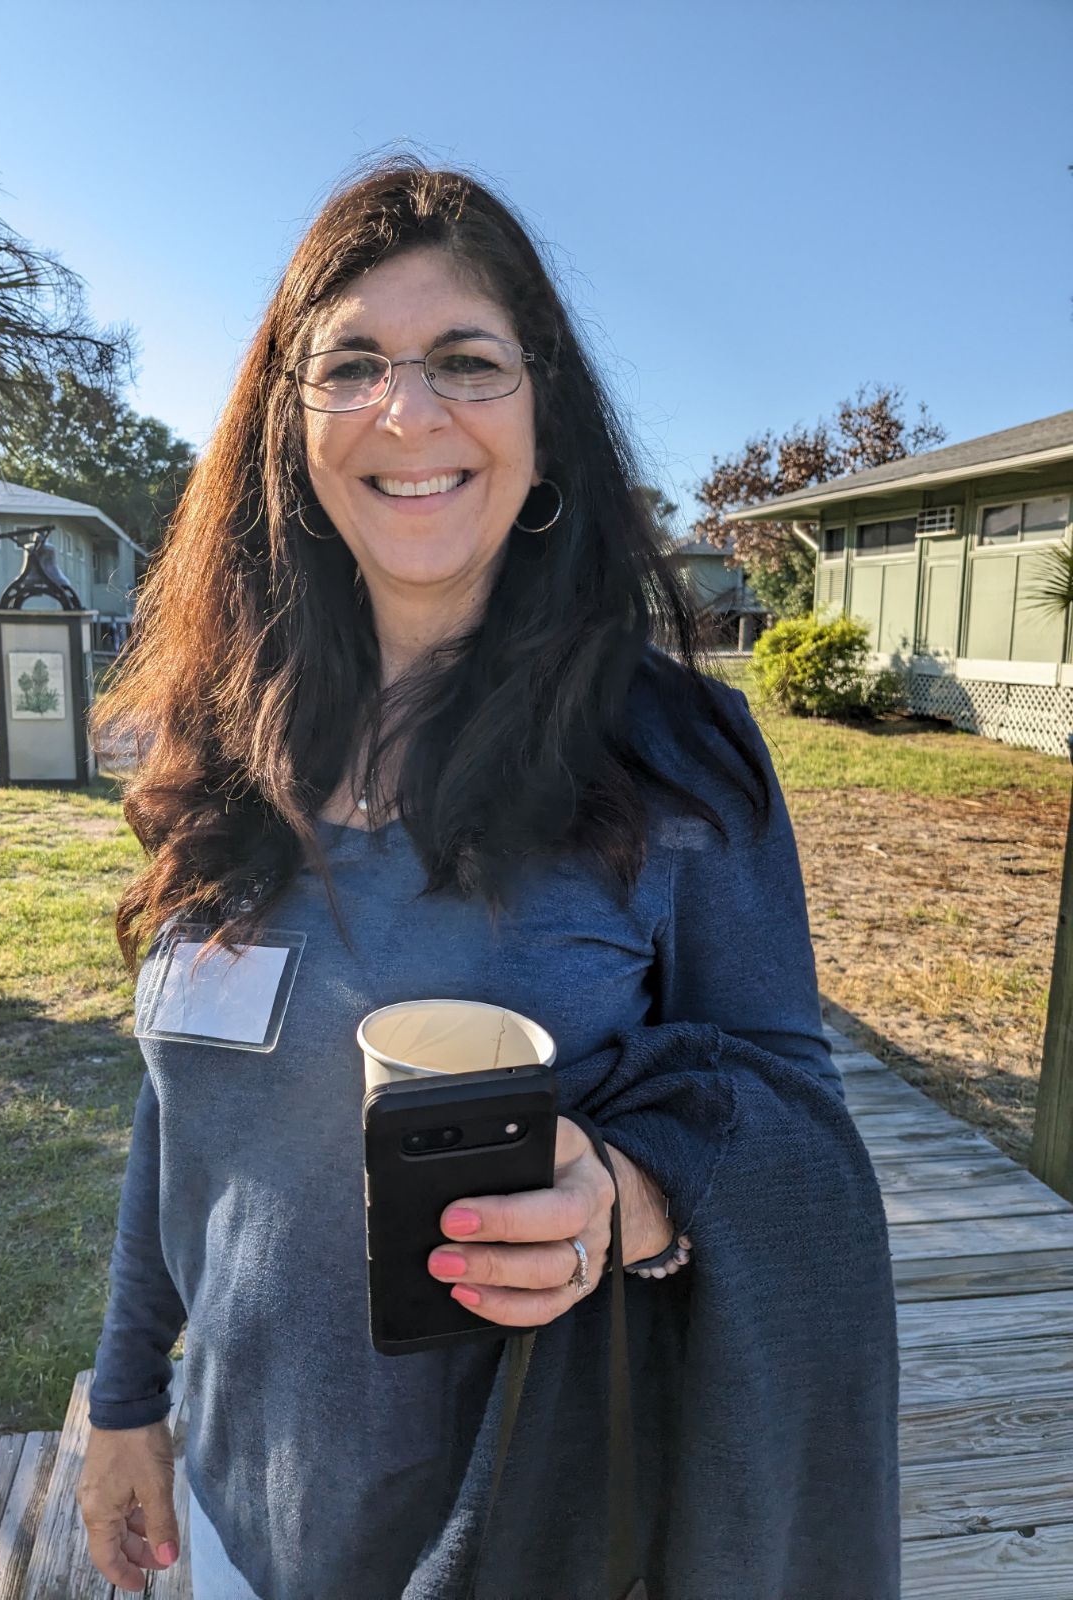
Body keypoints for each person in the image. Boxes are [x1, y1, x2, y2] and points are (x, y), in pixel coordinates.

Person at [78, 161, 899, 1600]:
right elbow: (182, 1108)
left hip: (529, 1532)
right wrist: (128, 1394)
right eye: (352, 366)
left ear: (542, 418)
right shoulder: (220, 736)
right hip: (231, 1519)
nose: (410, 413)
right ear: (290, 423)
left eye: (467, 361)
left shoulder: (674, 755)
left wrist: (628, 1194)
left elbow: (793, 1121)